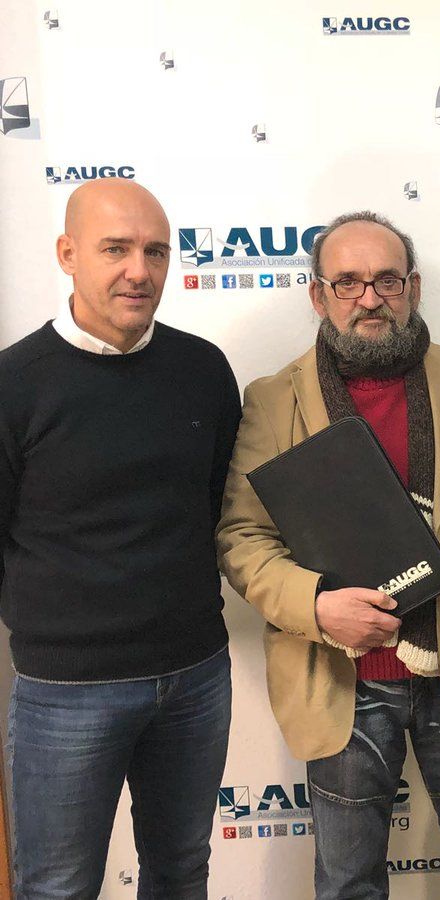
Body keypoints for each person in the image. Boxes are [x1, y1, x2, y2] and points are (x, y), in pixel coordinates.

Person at [217, 211, 440, 899]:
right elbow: (244, 538)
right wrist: (319, 608)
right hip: (340, 677)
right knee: (348, 882)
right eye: (349, 282)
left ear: (412, 287)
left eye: (386, 279)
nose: (369, 297)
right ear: (318, 295)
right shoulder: (273, 402)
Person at [0, 178, 240, 898]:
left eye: (155, 251)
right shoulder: (15, 384)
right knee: (59, 887)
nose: (139, 269)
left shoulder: (203, 370)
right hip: (66, 691)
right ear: (68, 254)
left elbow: (210, 506)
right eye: (116, 249)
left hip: (196, 676)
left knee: (180, 872)